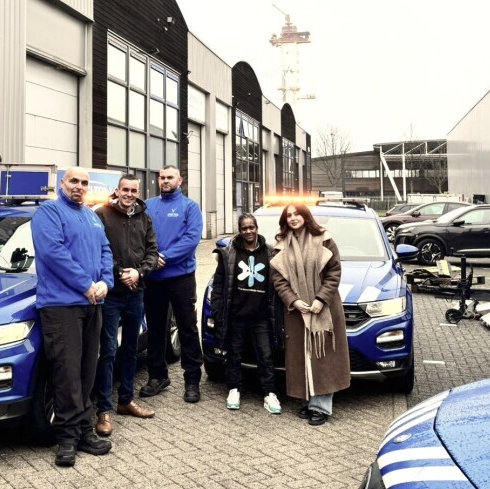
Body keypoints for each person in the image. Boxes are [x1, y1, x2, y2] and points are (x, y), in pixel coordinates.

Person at [31, 167, 115, 467]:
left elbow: (106, 251)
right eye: (73, 181)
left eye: (84, 182)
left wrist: (106, 282)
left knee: (86, 371)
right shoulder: (48, 213)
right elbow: (53, 254)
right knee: (66, 373)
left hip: (92, 303)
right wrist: (86, 285)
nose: (79, 186)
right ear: (62, 184)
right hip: (61, 306)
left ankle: (83, 431)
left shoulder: (92, 216)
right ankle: (66, 439)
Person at [269, 203, 350, 426]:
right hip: (297, 313)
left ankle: (321, 407)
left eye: (297, 214)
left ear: (306, 216)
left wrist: (320, 299)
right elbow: (278, 279)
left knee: (322, 357)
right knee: (301, 357)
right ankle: (307, 401)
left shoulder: (325, 239)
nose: (293, 218)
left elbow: (334, 272)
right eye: (289, 215)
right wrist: (294, 301)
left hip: (324, 309)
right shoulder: (281, 245)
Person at [93, 174, 160, 437]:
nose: (129, 194)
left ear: (138, 192)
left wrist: (139, 273)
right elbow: (98, 250)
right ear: (117, 190)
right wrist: (119, 272)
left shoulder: (144, 217)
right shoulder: (102, 215)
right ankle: (104, 411)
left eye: (133, 190)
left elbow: (152, 251)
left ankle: (126, 400)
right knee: (108, 351)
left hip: (136, 293)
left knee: (131, 349)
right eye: (125, 190)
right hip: (111, 294)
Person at [139, 165, 204, 403]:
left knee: (187, 327)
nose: (165, 181)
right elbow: (139, 235)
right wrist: (150, 260)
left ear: (180, 181)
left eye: (170, 177)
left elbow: (191, 239)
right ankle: (157, 376)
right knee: (156, 329)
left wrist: (162, 257)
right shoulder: (148, 206)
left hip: (180, 278)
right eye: (162, 177)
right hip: (153, 279)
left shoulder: (190, 207)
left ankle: (192, 380)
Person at [210, 213, 282, 414]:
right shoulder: (229, 253)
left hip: (261, 316)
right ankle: (234, 389)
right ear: (239, 230)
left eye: (251, 227)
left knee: (265, 355)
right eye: (244, 228)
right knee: (234, 354)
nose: (248, 231)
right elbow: (219, 284)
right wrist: (217, 310)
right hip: (236, 315)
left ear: (257, 228)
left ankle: (270, 393)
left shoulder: (271, 253)